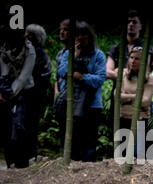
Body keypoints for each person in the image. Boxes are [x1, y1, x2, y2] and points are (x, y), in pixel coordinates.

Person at [0, 11, 36, 169]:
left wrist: (9, 93)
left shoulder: (29, 49)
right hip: (1, 91)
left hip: (23, 92)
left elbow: (23, 77)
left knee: (20, 129)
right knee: (4, 129)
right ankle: (10, 163)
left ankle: (21, 164)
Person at [57, 21, 106, 162]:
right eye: (77, 35)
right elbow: (61, 72)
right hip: (71, 103)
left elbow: (100, 79)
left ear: (90, 37)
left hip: (91, 106)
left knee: (89, 144)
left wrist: (81, 76)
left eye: (83, 35)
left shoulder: (98, 55)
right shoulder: (69, 53)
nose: (80, 38)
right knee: (72, 143)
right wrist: (75, 55)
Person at [106, 10, 153, 132]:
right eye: (128, 22)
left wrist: (120, 72)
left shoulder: (146, 48)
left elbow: (144, 70)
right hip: (120, 107)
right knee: (119, 139)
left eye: (134, 22)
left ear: (140, 26)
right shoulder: (116, 48)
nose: (131, 24)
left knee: (139, 143)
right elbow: (107, 72)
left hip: (140, 109)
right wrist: (122, 75)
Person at [25, 24, 53, 161]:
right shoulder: (23, 51)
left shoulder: (41, 55)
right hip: (22, 95)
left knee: (32, 127)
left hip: (35, 97)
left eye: (31, 35)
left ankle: (31, 156)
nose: (27, 37)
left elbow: (44, 79)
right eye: (26, 33)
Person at [55, 19, 69, 95]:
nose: (61, 32)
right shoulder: (60, 54)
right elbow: (57, 78)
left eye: (65, 30)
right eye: (61, 29)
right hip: (60, 94)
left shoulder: (78, 53)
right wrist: (56, 94)